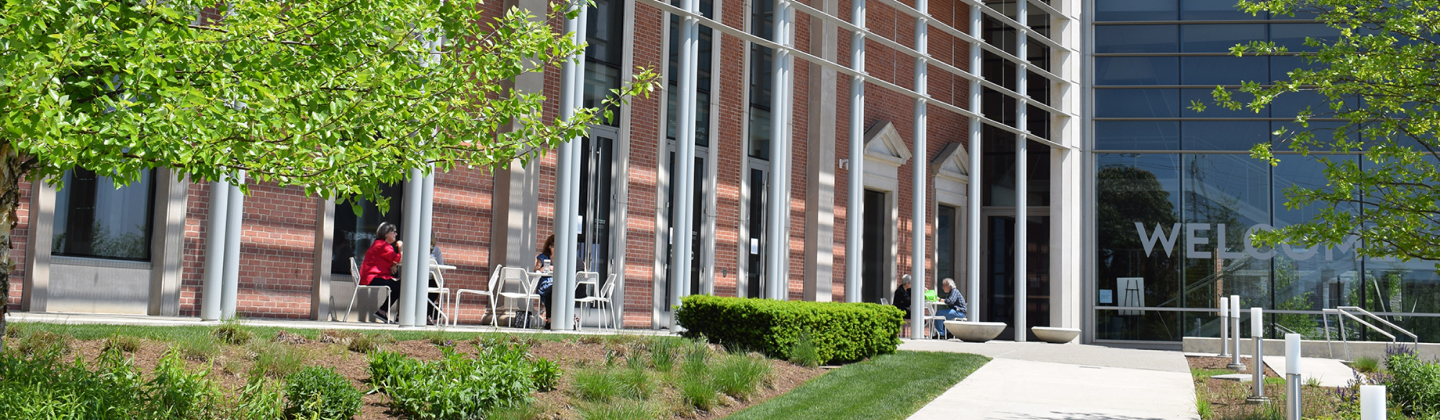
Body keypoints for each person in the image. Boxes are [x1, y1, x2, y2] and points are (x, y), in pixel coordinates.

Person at [359, 222, 402, 323]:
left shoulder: (379, 244)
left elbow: (392, 261)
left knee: (400, 285)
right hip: (372, 277)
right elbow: (399, 259)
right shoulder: (383, 246)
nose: (396, 234)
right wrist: (401, 247)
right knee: (402, 286)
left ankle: (383, 311)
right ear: (386, 234)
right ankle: (386, 312)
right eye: (393, 232)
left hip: (372, 277)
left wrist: (393, 264)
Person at [533, 235, 556, 326]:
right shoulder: (542, 257)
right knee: (552, 291)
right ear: (549, 246)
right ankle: (549, 320)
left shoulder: (560, 258)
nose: (554, 248)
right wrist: (541, 269)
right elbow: (536, 270)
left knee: (557, 291)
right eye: (553, 246)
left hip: (555, 284)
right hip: (545, 284)